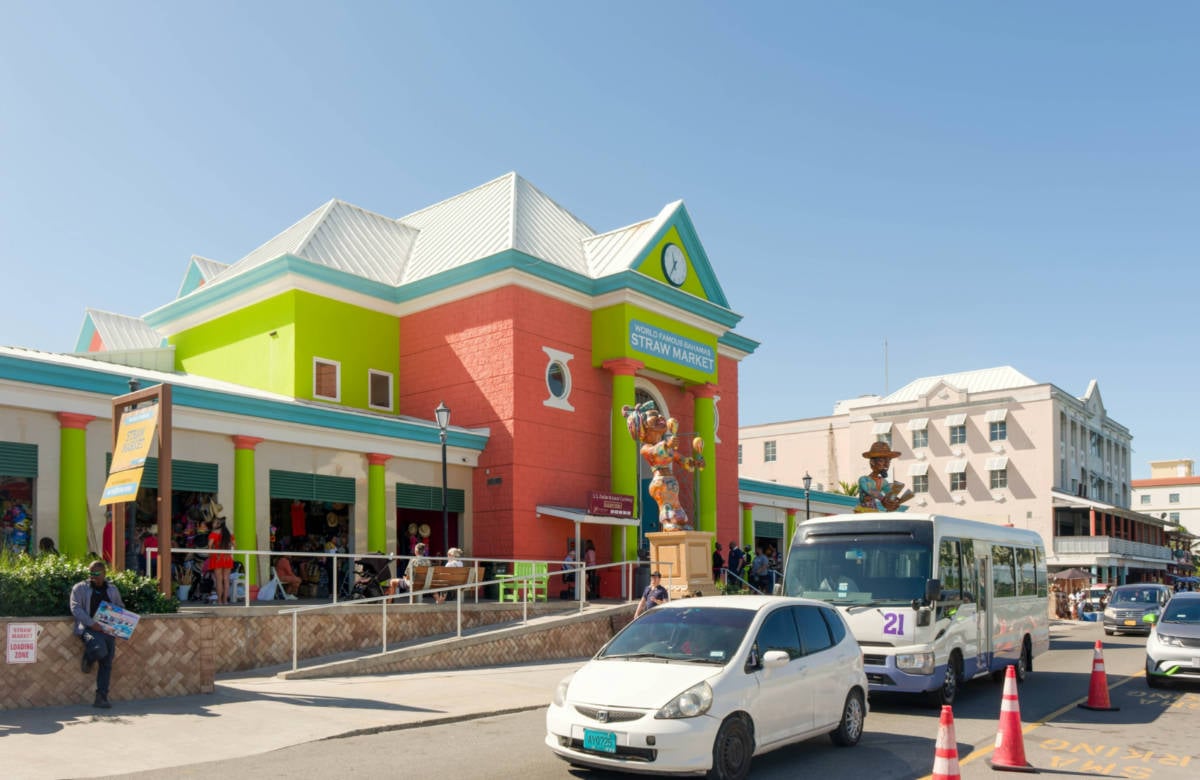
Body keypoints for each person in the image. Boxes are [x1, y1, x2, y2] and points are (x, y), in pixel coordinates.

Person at [620, 401, 704, 532]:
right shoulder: (645, 448)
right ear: (644, 427)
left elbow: (682, 460)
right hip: (659, 483)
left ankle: (679, 524)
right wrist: (666, 445)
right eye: (654, 415)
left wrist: (695, 462)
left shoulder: (669, 448)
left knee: (679, 512)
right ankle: (667, 524)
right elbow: (655, 451)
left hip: (670, 483)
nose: (660, 417)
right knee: (666, 507)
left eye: (659, 415)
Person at [69, 560, 124, 708]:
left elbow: (120, 607)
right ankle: (88, 658)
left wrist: (118, 622)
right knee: (99, 649)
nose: (93, 576)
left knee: (107, 662)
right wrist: (91, 623)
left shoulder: (112, 589)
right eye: (91, 573)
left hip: (107, 631)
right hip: (86, 630)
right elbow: (75, 608)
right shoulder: (80, 588)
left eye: (97, 573)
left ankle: (101, 697)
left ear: (104, 573)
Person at [856, 441, 912, 513]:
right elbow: (870, 490)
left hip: (874, 513)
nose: (886, 465)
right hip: (862, 512)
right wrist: (883, 499)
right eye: (882, 461)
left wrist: (893, 502)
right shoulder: (864, 479)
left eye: (888, 462)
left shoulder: (883, 482)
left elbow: (889, 496)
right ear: (872, 462)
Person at [207, 516, 235, 605]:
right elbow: (235, 545)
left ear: (219, 524)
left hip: (217, 558)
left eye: (214, 522)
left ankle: (219, 601)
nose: (213, 524)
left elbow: (209, 545)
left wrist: (211, 554)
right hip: (227, 558)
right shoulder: (229, 534)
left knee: (219, 580)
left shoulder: (214, 533)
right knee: (226, 580)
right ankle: (225, 601)